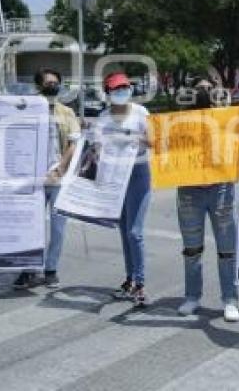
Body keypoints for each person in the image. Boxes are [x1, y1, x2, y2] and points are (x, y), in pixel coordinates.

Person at [174, 78, 239, 322]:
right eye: (199, 89)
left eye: (208, 88)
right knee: (192, 249)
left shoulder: (225, 119)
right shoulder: (178, 123)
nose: (204, 92)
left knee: (227, 248)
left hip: (220, 188)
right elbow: (167, 150)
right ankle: (193, 297)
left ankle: (230, 299)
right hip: (190, 191)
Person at [13, 68, 80, 290]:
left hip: (59, 179)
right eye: (48, 83)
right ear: (39, 86)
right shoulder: (27, 110)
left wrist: (61, 168)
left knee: (58, 228)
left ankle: (51, 269)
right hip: (34, 179)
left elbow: (73, 143)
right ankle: (28, 270)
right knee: (31, 226)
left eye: (56, 82)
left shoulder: (67, 112)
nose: (53, 86)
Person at [100, 72, 153, 307]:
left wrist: (131, 136)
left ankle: (140, 284)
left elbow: (152, 141)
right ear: (108, 94)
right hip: (115, 176)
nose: (121, 91)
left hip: (138, 174)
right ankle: (130, 279)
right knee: (123, 231)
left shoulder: (141, 113)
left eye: (124, 87)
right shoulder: (103, 118)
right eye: (116, 89)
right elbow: (95, 148)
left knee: (135, 232)